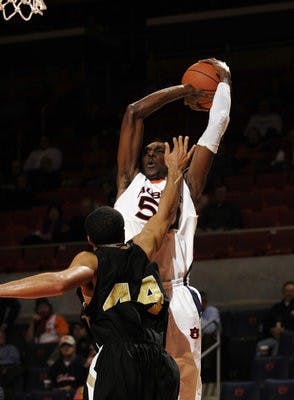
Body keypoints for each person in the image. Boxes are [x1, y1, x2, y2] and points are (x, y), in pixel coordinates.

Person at [0, 136, 193, 400]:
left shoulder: (91, 260)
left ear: (91, 240)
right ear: (123, 231)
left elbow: (58, 282)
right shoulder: (143, 246)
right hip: (159, 360)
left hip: (118, 361)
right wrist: (174, 171)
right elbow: (163, 215)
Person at [114, 57, 231, 399]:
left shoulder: (186, 184)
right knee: (125, 377)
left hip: (174, 289)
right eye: (147, 151)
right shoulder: (126, 183)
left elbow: (218, 122)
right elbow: (134, 112)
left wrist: (222, 83)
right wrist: (184, 90)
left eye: (159, 150)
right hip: (131, 288)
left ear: (170, 156)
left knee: (184, 378)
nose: (150, 154)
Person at [256, 280, 294, 357]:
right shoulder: (276, 308)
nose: (289, 293)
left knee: (279, 347)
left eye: (292, 291)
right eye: (287, 291)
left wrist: (285, 331)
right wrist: (271, 330)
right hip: (275, 338)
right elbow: (265, 324)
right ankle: (260, 368)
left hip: (291, 339)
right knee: (261, 345)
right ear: (283, 292)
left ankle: (277, 367)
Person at [44, 335, 88, 399]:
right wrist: (59, 389)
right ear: (60, 349)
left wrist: (72, 389)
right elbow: (50, 385)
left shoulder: (82, 362)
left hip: (77, 395)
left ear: (74, 347)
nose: (66, 348)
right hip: (59, 396)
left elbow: (86, 383)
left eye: (69, 346)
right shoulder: (55, 365)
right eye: (63, 346)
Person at [200, 290, 221, 383]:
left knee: (207, 339)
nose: (201, 303)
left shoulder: (212, 310)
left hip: (214, 339)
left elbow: (210, 329)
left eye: (203, 301)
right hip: (199, 339)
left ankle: (207, 375)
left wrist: (198, 318)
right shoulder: (191, 312)